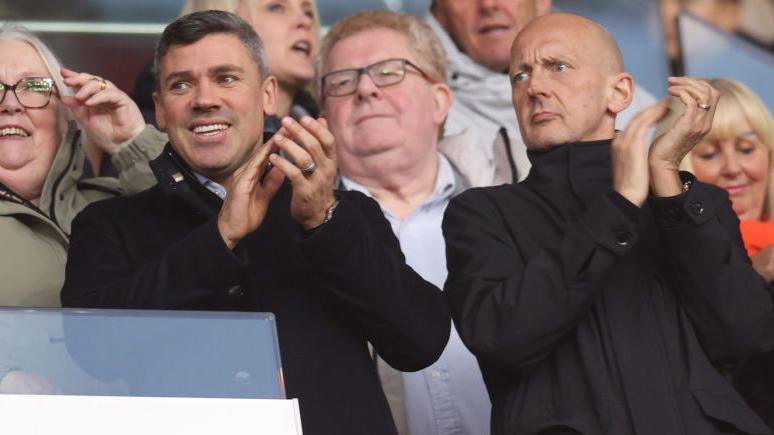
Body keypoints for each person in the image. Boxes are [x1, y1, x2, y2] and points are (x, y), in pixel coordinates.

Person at [61, 11, 450, 435]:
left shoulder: (345, 211)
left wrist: (323, 224)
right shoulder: (108, 224)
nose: (204, 99)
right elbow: (93, 351)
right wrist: (219, 237)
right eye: (181, 84)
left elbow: (420, 340)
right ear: (158, 109)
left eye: (226, 78)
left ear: (267, 95)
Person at [443, 13, 774, 435]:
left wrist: (667, 184)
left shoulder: (692, 203)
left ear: (618, 92)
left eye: (558, 67)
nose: (535, 87)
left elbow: (744, 337)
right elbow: (501, 339)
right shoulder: (482, 213)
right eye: (519, 75)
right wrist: (618, 208)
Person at [317, 10, 489, 435]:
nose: (365, 89)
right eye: (342, 80)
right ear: (323, 115)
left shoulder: (505, 207)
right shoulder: (305, 236)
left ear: (440, 101)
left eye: (389, 72)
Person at [0, 24, 163, 308]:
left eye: (35, 86)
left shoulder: (121, 201)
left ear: (66, 118)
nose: (11, 104)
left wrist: (132, 142)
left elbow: (210, 227)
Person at [427, 0, 657, 186]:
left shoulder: (645, 113)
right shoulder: (423, 119)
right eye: (521, 77)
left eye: (559, 67)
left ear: (541, 2)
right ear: (441, 14)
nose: (488, 4)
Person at [132, 0, 321, 126]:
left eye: (308, 12)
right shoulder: (144, 132)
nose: (304, 21)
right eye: (276, 7)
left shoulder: (328, 130)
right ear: (223, 19)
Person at [670, 77, 773, 282]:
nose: (732, 168)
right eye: (709, 154)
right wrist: (752, 274)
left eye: (746, 149)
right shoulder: (666, 261)